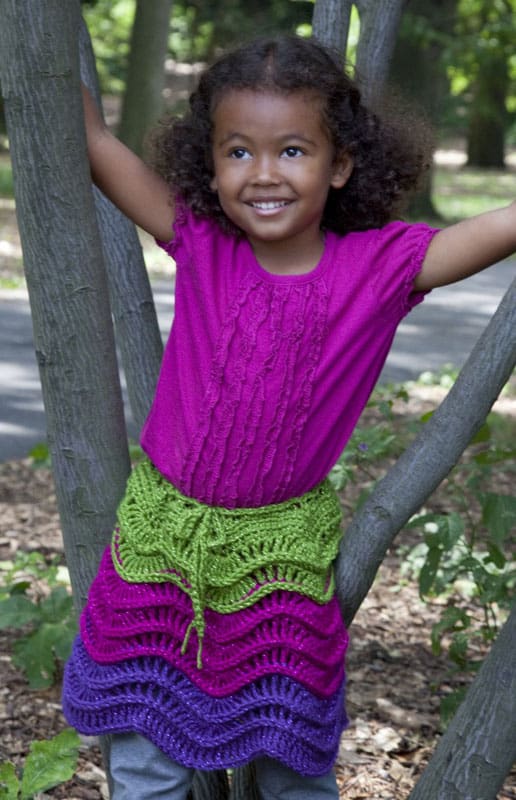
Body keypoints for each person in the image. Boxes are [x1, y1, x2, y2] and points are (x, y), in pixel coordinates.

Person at [62, 34, 516, 800]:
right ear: (209, 164)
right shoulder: (204, 242)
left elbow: (487, 232)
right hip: (160, 539)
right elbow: (98, 144)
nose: (264, 173)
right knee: (142, 749)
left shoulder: (377, 267)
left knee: (290, 754)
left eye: (294, 151)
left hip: (280, 556)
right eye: (237, 151)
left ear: (339, 166)